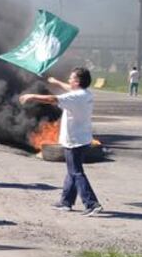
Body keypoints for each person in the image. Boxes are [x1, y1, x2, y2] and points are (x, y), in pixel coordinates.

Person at [20, 67, 101, 215]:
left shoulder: (75, 97)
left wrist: (31, 96)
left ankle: (92, 203)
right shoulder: (85, 93)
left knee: (76, 172)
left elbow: (52, 99)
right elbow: (69, 88)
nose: (69, 80)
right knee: (72, 172)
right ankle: (66, 202)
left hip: (74, 141)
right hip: (81, 139)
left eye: (71, 78)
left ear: (77, 81)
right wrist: (55, 82)